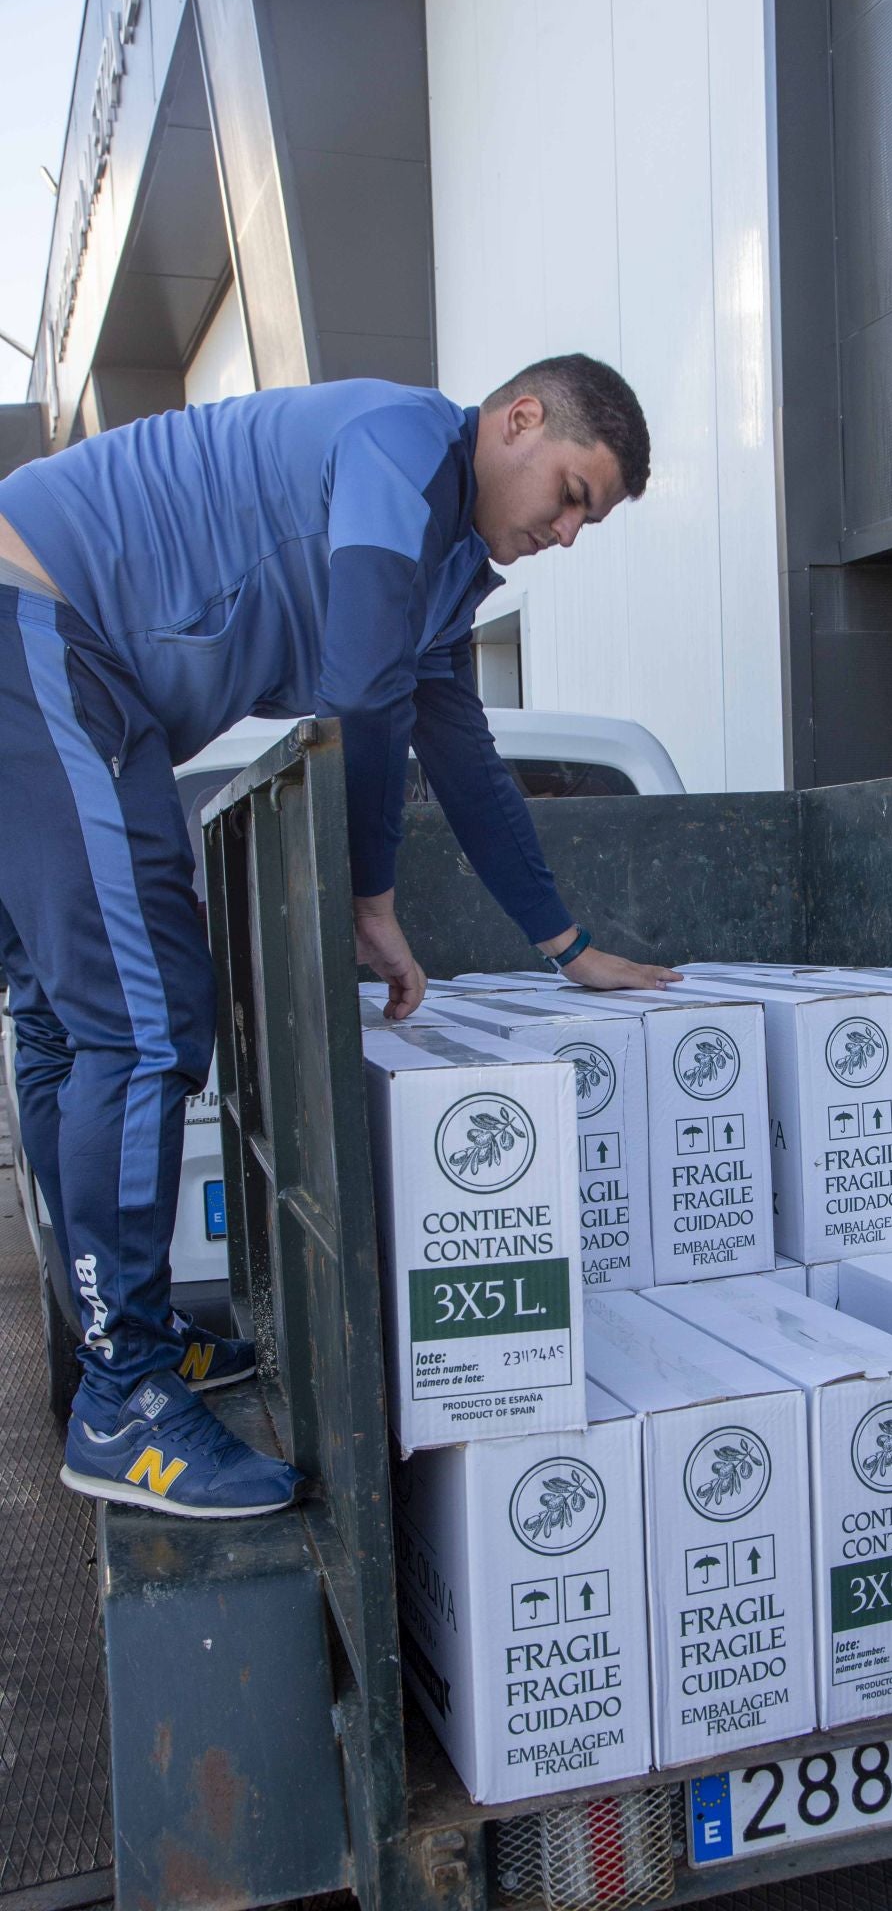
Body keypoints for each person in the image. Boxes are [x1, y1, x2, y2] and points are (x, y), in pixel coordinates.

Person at [0, 353, 678, 1520]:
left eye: (592, 521)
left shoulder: (446, 563)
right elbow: (362, 691)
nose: (569, 533)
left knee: (70, 1017)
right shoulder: (398, 447)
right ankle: (123, 1397)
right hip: (43, 619)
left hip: (65, 653)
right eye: (572, 492)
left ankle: (131, 1341)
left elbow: (455, 746)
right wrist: (371, 898)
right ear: (517, 420)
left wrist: (563, 944)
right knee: (145, 1013)